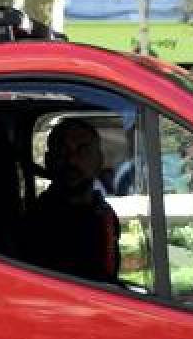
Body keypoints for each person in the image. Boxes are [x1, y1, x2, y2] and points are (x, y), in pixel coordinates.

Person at [25, 118, 121, 284]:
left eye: (82, 151)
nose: (72, 161)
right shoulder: (41, 221)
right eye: (62, 152)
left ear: (99, 160)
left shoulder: (102, 211)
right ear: (48, 161)